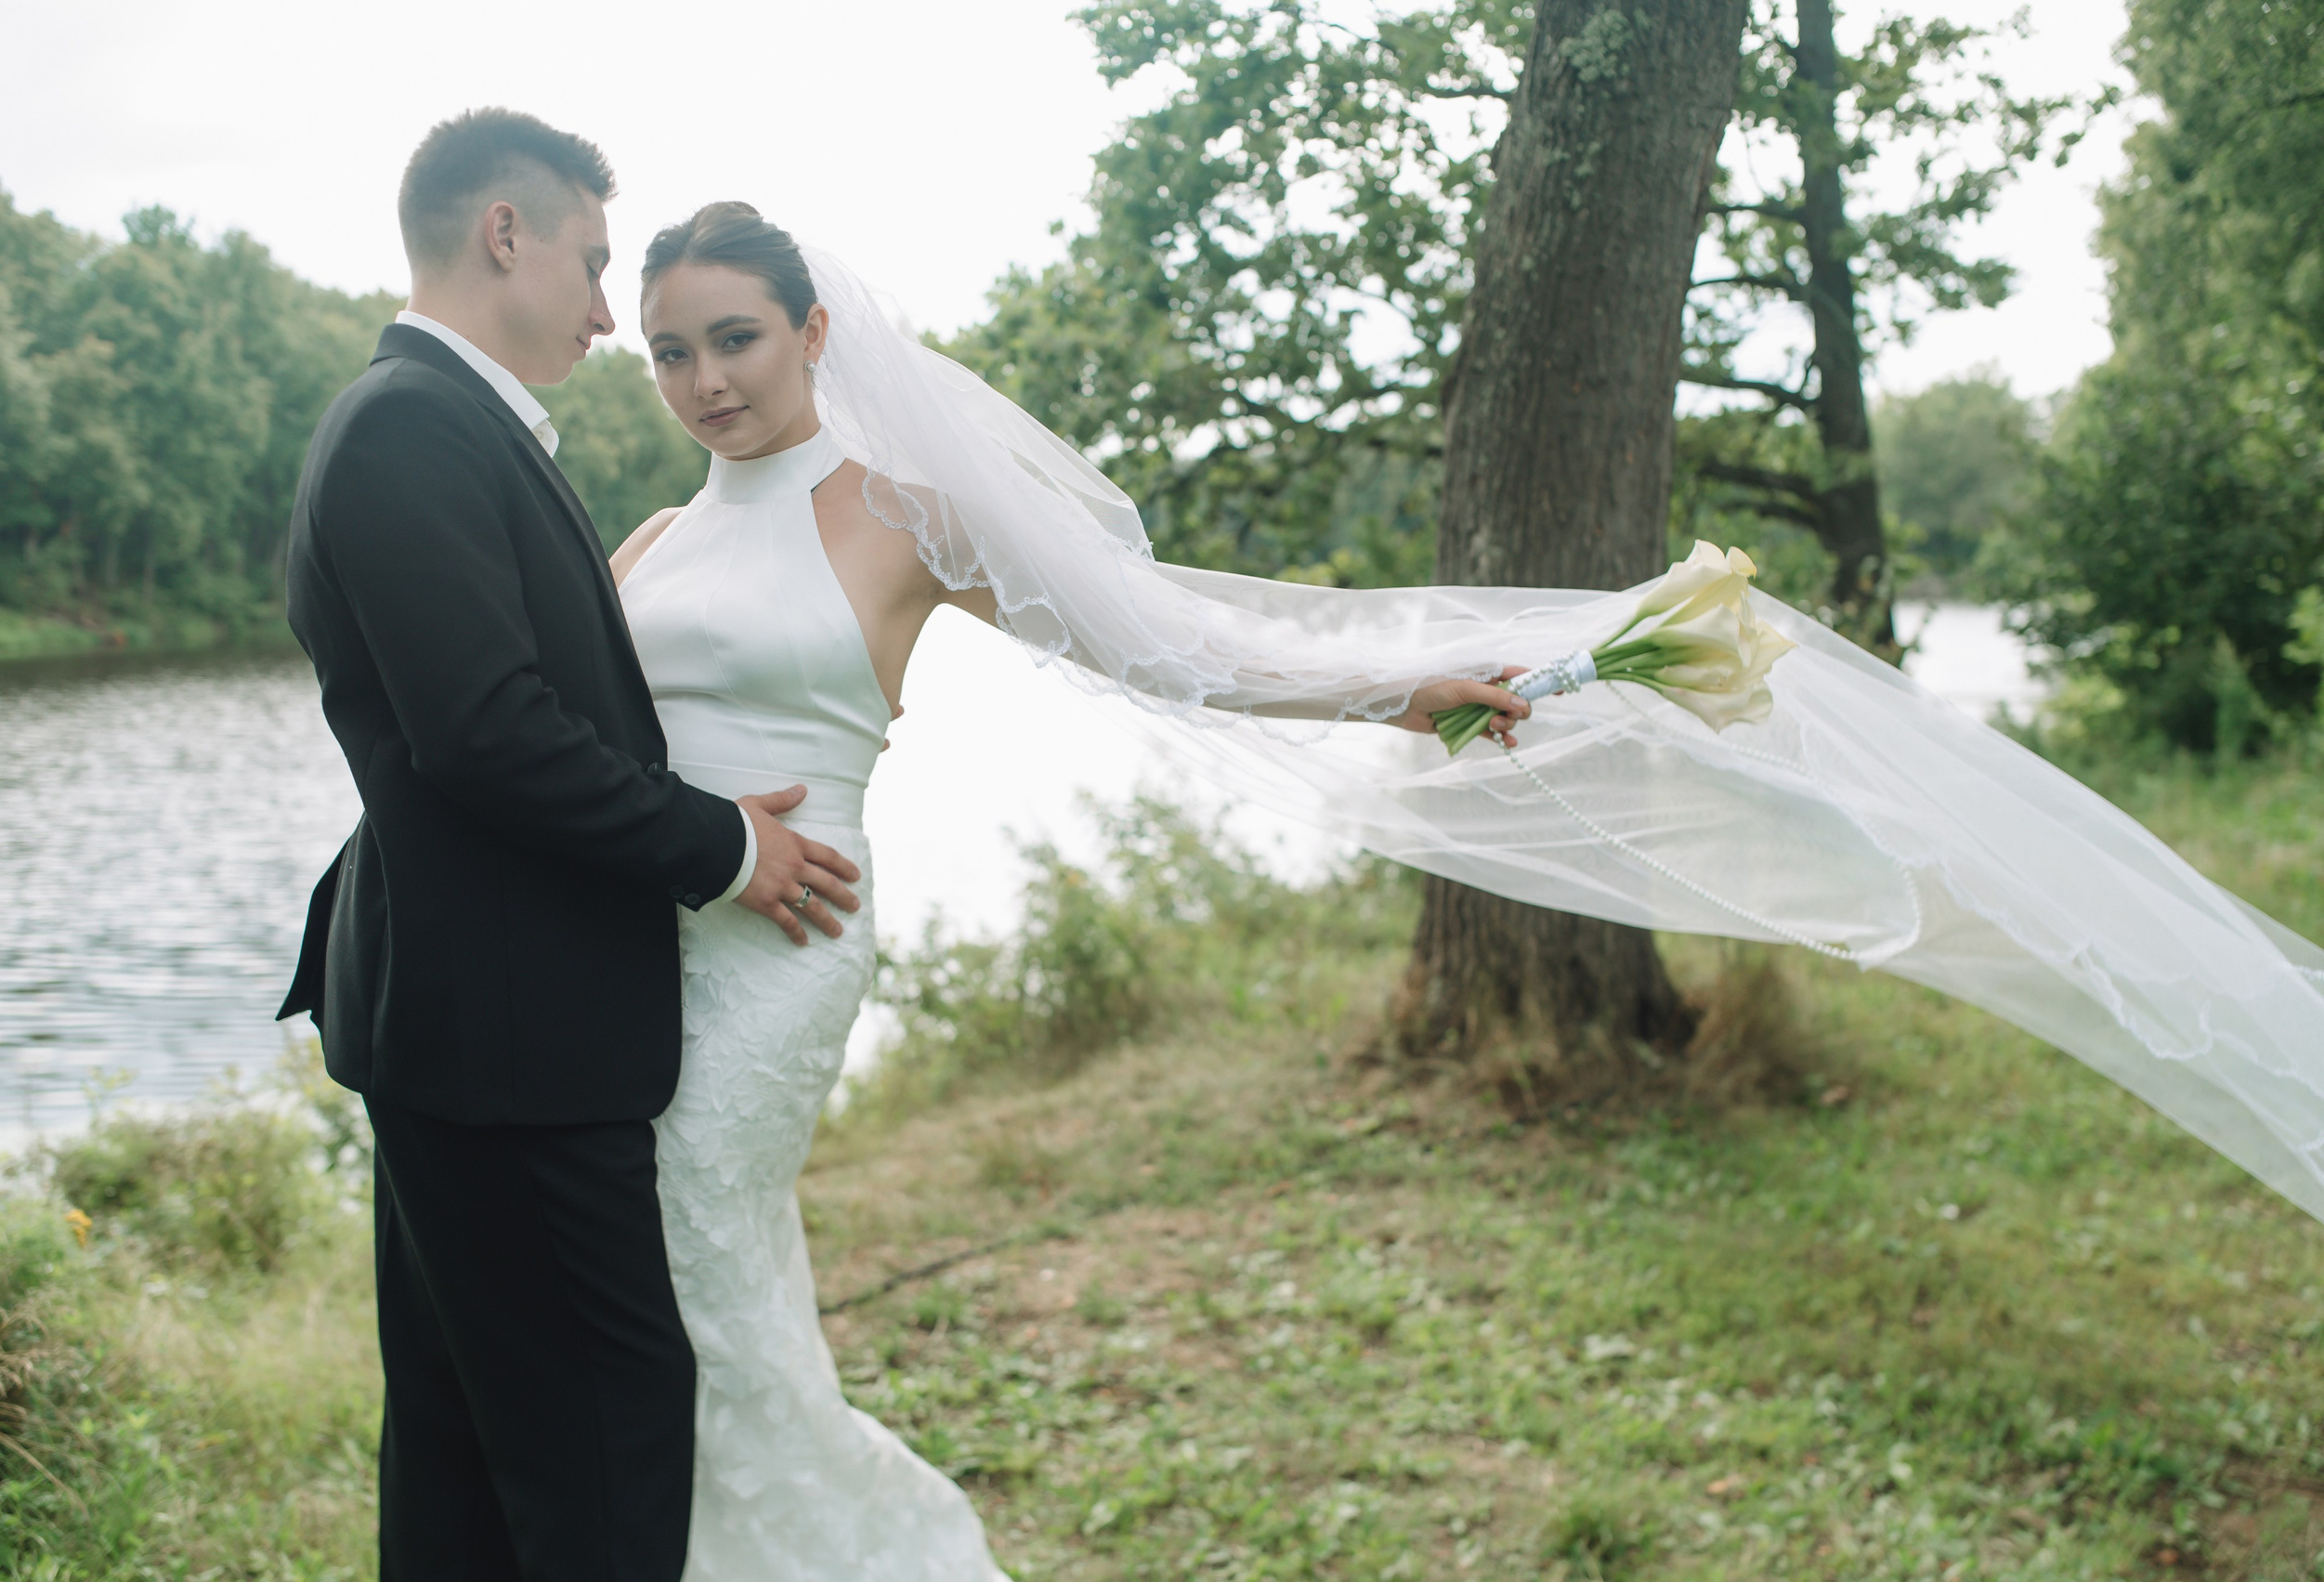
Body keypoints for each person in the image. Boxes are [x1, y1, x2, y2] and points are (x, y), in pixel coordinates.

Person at [614, 200, 2324, 1578]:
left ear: (815, 333)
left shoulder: (905, 514)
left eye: (737, 339)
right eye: (674, 350)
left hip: (782, 945)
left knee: (700, 1276)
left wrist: (1401, 687)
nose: (706, 380)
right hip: (626, 949)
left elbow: (1179, 646)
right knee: (677, 1287)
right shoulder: (642, 548)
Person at [277, 118, 866, 1581]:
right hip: (511, 1043)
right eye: (598, 268)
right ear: (503, 236)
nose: (614, 318)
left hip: (469, 1026)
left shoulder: (442, 422)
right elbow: (488, 733)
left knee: (470, 1448)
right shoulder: (412, 427)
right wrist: (725, 848)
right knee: (605, 1447)